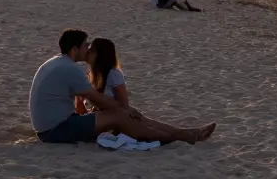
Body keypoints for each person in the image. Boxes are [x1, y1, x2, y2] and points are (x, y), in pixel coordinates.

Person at [28, 29, 215, 144]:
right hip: (55, 131)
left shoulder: (58, 63)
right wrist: (126, 111)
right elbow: (98, 99)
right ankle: (178, 137)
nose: (87, 50)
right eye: (86, 46)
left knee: (123, 113)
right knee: (120, 115)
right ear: (75, 49)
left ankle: (181, 133)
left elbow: (86, 103)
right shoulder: (70, 68)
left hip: (52, 127)